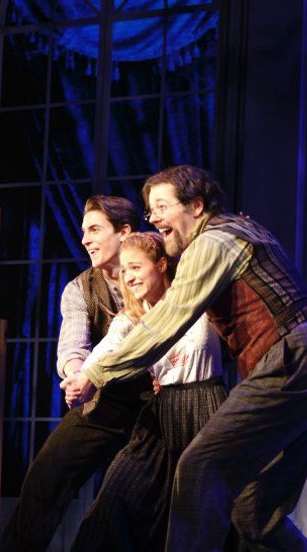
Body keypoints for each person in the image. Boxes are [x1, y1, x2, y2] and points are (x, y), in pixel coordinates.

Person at [62, 165, 307, 550]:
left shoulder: (212, 243)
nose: (154, 218)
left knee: (198, 468)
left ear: (195, 206)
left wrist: (95, 373)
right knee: (254, 512)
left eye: (162, 206)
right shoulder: (240, 230)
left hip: (291, 360)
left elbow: (167, 322)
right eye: (150, 210)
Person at [0, 195, 153, 552]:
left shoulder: (160, 274)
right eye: (83, 231)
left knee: (135, 499)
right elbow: (72, 346)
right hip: (107, 399)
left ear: (124, 232)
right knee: (46, 477)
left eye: (95, 230)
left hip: (158, 400)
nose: (85, 240)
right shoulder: (80, 288)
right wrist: (75, 376)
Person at [62, 232, 227, 551]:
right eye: (124, 270)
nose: (129, 277)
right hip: (162, 413)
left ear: (162, 265)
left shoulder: (195, 298)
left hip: (206, 407)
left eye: (136, 267)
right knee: (116, 497)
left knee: (209, 512)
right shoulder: (132, 317)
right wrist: (82, 377)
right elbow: (109, 349)